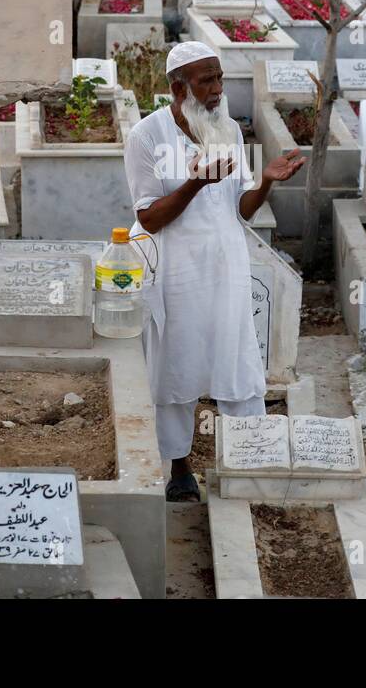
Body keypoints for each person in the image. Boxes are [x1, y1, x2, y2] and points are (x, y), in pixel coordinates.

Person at [124, 41, 306, 502]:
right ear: (177, 88)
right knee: (177, 364)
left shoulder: (226, 129)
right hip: (176, 270)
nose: (218, 90)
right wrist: (194, 182)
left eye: (220, 78)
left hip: (226, 265)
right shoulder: (146, 137)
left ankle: (249, 458)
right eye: (208, 81)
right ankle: (179, 466)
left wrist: (264, 181)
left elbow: (239, 207)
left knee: (237, 358)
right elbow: (148, 217)